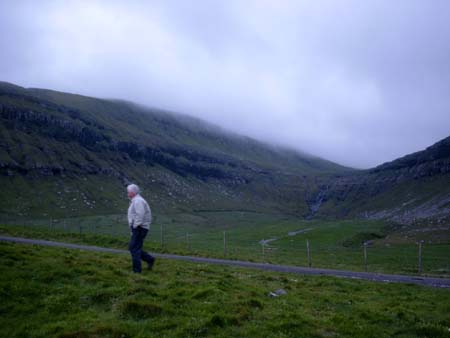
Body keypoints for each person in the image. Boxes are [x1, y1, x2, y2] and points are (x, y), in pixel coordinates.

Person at [126, 184, 155, 273]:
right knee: (134, 247)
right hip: (139, 227)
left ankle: (137, 270)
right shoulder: (136, 200)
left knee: (134, 248)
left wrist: (135, 226)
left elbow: (140, 214)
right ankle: (149, 259)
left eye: (128, 191)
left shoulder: (138, 201)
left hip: (140, 227)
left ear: (133, 192)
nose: (127, 193)